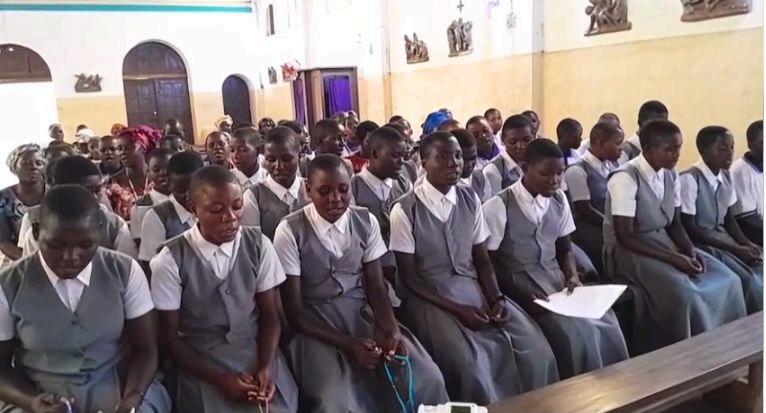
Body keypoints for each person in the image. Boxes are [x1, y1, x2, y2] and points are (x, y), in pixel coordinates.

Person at [390, 133, 558, 403]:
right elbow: (409, 279)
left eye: (457, 156)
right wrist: (459, 310)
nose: (454, 163)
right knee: (471, 363)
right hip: (429, 296)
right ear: (423, 161)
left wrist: (496, 298)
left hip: (472, 286)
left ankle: (538, 407)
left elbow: (482, 260)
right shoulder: (405, 209)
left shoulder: (470, 199)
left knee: (535, 348)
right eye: (442, 157)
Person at [273, 154, 448, 412]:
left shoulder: (365, 221)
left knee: (426, 377)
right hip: (315, 325)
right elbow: (295, 311)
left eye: (343, 189)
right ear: (308, 190)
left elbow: (376, 286)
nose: (336, 198)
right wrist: (351, 345)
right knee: (337, 399)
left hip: (359, 313)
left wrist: (389, 328)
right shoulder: (290, 230)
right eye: (324, 191)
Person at [0, 185, 171, 413]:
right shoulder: (8, 285)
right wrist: (31, 401)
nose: (71, 257)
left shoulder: (124, 271)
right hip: (39, 395)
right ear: (37, 232)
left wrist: (133, 397)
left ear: (99, 232)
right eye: (56, 245)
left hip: (118, 387)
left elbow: (146, 350)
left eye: (85, 244)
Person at [150, 166, 298, 412]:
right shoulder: (170, 259)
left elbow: (271, 318)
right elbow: (170, 337)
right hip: (201, 362)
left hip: (255, 350)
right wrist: (220, 380)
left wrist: (266, 366)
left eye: (237, 206)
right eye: (216, 210)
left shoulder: (258, 245)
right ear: (193, 208)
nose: (230, 217)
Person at [484, 138, 629, 378]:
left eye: (560, 173)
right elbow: (489, 262)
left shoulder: (559, 199)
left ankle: (617, 387)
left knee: (607, 322)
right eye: (545, 174)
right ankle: (580, 390)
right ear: (525, 169)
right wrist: (520, 293)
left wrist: (572, 275)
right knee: (577, 333)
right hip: (518, 281)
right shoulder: (499, 206)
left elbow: (565, 248)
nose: (555, 180)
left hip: (555, 277)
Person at [603, 120, 747, 354]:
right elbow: (625, 236)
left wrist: (689, 250)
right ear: (648, 149)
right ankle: (688, 352)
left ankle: (727, 348)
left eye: (678, 147)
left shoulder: (670, 175)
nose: (676, 154)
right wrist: (674, 258)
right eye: (669, 149)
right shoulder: (626, 178)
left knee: (728, 279)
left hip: (664, 243)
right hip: (630, 250)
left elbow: (676, 224)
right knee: (685, 294)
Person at [680, 126, 763, 313]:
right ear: (704, 151)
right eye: (722, 149)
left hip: (723, 238)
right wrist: (736, 248)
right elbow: (690, 228)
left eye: (732, 147)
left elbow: (729, 219)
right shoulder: (690, 179)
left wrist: (746, 243)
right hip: (703, 243)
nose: (730, 153)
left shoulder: (726, 175)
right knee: (747, 280)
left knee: (759, 267)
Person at [17, 156, 138, 260]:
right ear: (61, 188)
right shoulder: (35, 221)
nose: (94, 197)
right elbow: (32, 268)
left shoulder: (113, 224)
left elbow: (126, 267)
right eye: (86, 190)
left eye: (98, 190)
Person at [350, 126, 412, 291]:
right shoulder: (354, 187)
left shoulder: (404, 185)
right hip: (371, 268)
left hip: (405, 263)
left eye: (403, 156)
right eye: (395, 156)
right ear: (375, 154)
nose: (401, 162)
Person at [564, 122, 624, 276]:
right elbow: (585, 210)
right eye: (617, 144)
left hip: (609, 225)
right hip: (589, 230)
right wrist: (612, 225)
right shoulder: (577, 170)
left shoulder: (612, 166)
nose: (621, 149)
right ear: (601, 143)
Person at [139, 152, 204, 269]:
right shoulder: (156, 217)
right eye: (181, 190)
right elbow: (150, 264)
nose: (188, 196)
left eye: (193, 189)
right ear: (169, 184)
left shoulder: (215, 210)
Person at [242, 127, 309, 240]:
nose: (279, 166)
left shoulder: (311, 188)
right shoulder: (253, 196)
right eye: (271, 159)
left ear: (298, 155)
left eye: (286, 159)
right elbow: (253, 242)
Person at [0, 145, 45, 262]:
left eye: (39, 163)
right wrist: (31, 262)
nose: (33, 167)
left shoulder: (55, 193)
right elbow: (4, 242)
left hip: (57, 258)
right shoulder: (3, 198)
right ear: (14, 168)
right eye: (26, 164)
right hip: (18, 259)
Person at [107, 129, 157, 221]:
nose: (123, 152)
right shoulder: (113, 183)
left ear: (143, 149)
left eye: (129, 147)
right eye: (119, 149)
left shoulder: (158, 178)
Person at [130, 148, 173, 245]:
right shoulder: (140, 207)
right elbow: (138, 241)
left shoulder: (187, 200)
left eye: (168, 169)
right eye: (156, 170)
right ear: (148, 172)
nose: (163, 173)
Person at [731, 120, 763, 245]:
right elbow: (748, 220)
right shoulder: (739, 172)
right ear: (750, 144)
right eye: (762, 142)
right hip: (753, 236)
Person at [484, 114, 531, 196]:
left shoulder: (537, 163)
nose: (521, 146)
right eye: (513, 142)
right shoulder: (493, 169)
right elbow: (494, 202)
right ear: (503, 140)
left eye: (526, 140)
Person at [452, 128, 490, 202]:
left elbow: (487, 205)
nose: (468, 165)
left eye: (472, 158)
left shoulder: (480, 177)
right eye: (463, 159)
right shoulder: (444, 186)